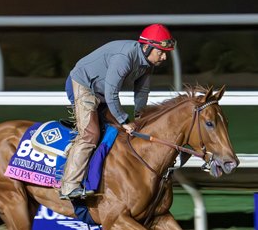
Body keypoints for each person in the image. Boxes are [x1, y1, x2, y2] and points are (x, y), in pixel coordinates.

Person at [60, 23, 176, 200]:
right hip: (82, 85)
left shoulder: (147, 63)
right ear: (147, 47)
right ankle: (69, 186)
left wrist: (140, 116)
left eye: (165, 52)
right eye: (160, 52)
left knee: (117, 133)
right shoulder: (124, 57)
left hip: (102, 91)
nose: (164, 57)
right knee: (91, 134)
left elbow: (142, 92)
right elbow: (111, 93)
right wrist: (124, 120)